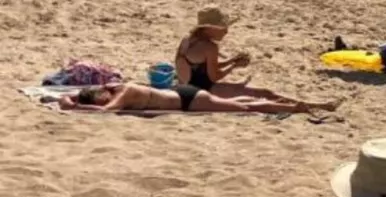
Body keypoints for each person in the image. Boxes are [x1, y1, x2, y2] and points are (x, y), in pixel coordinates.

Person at [61, 82, 333, 114]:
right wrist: (73, 98)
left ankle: (296, 108)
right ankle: (307, 104)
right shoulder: (116, 85)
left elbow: (105, 111)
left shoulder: (125, 92)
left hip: (188, 101)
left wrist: (73, 107)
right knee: (242, 100)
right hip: (182, 92)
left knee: (245, 106)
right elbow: (78, 92)